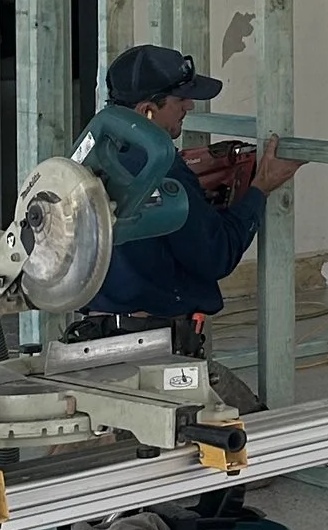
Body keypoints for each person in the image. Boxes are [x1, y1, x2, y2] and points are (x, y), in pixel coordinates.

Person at [80, 44, 305, 353]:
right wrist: (260, 188)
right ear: (148, 109)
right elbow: (216, 255)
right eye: (180, 99)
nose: (189, 106)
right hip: (152, 345)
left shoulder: (93, 154)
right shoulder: (163, 168)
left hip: (97, 334)